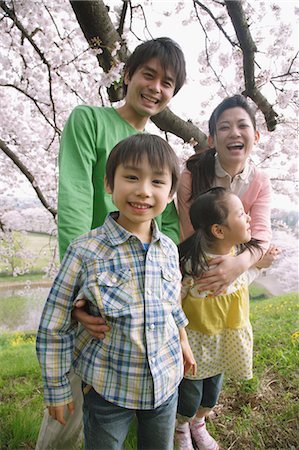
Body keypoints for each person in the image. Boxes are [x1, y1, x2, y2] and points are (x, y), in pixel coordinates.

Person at [35, 37, 187, 449]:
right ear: (126, 76)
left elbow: (168, 227)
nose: (156, 87)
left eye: (167, 82)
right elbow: (75, 201)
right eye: (148, 75)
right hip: (92, 278)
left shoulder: (159, 153)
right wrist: (83, 295)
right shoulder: (89, 120)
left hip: (137, 292)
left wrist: (153, 261)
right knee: (72, 402)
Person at [175, 187, 263, 450]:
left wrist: (260, 262)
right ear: (219, 230)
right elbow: (175, 299)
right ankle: (181, 426)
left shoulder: (239, 260)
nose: (248, 217)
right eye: (240, 213)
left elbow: (246, 278)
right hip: (197, 343)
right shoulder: (196, 266)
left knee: (211, 393)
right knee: (190, 395)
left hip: (226, 341)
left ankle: (198, 423)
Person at [177, 94, 280, 297]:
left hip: (237, 262)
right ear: (211, 140)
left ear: (256, 136)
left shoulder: (260, 182)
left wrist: (239, 264)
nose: (234, 133)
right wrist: (257, 261)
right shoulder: (191, 175)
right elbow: (191, 236)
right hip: (197, 266)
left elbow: (260, 235)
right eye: (224, 127)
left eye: (243, 126)